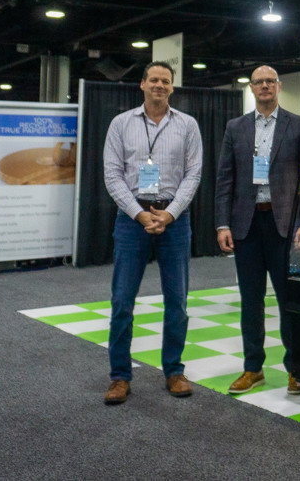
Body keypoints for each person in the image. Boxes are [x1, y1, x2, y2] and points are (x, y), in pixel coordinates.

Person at [102, 61, 203, 405]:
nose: (160, 85)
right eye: (154, 80)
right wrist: (140, 213)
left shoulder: (187, 125)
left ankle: (174, 371)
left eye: (166, 81)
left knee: (177, 302)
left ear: (172, 87)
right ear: (142, 84)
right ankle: (119, 377)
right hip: (131, 221)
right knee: (121, 301)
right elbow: (112, 175)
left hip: (175, 220)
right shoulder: (121, 124)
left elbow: (193, 174)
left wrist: (170, 214)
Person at [215, 65, 300, 395]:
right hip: (246, 225)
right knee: (251, 301)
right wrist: (223, 224)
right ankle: (253, 368)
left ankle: (296, 368)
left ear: (279, 86)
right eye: (259, 82)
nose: (265, 86)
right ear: (252, 88)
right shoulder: (236, 127)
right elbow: (224, 178)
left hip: (284, 225)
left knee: (288, 300)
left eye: (270, 81)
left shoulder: (298, 125)